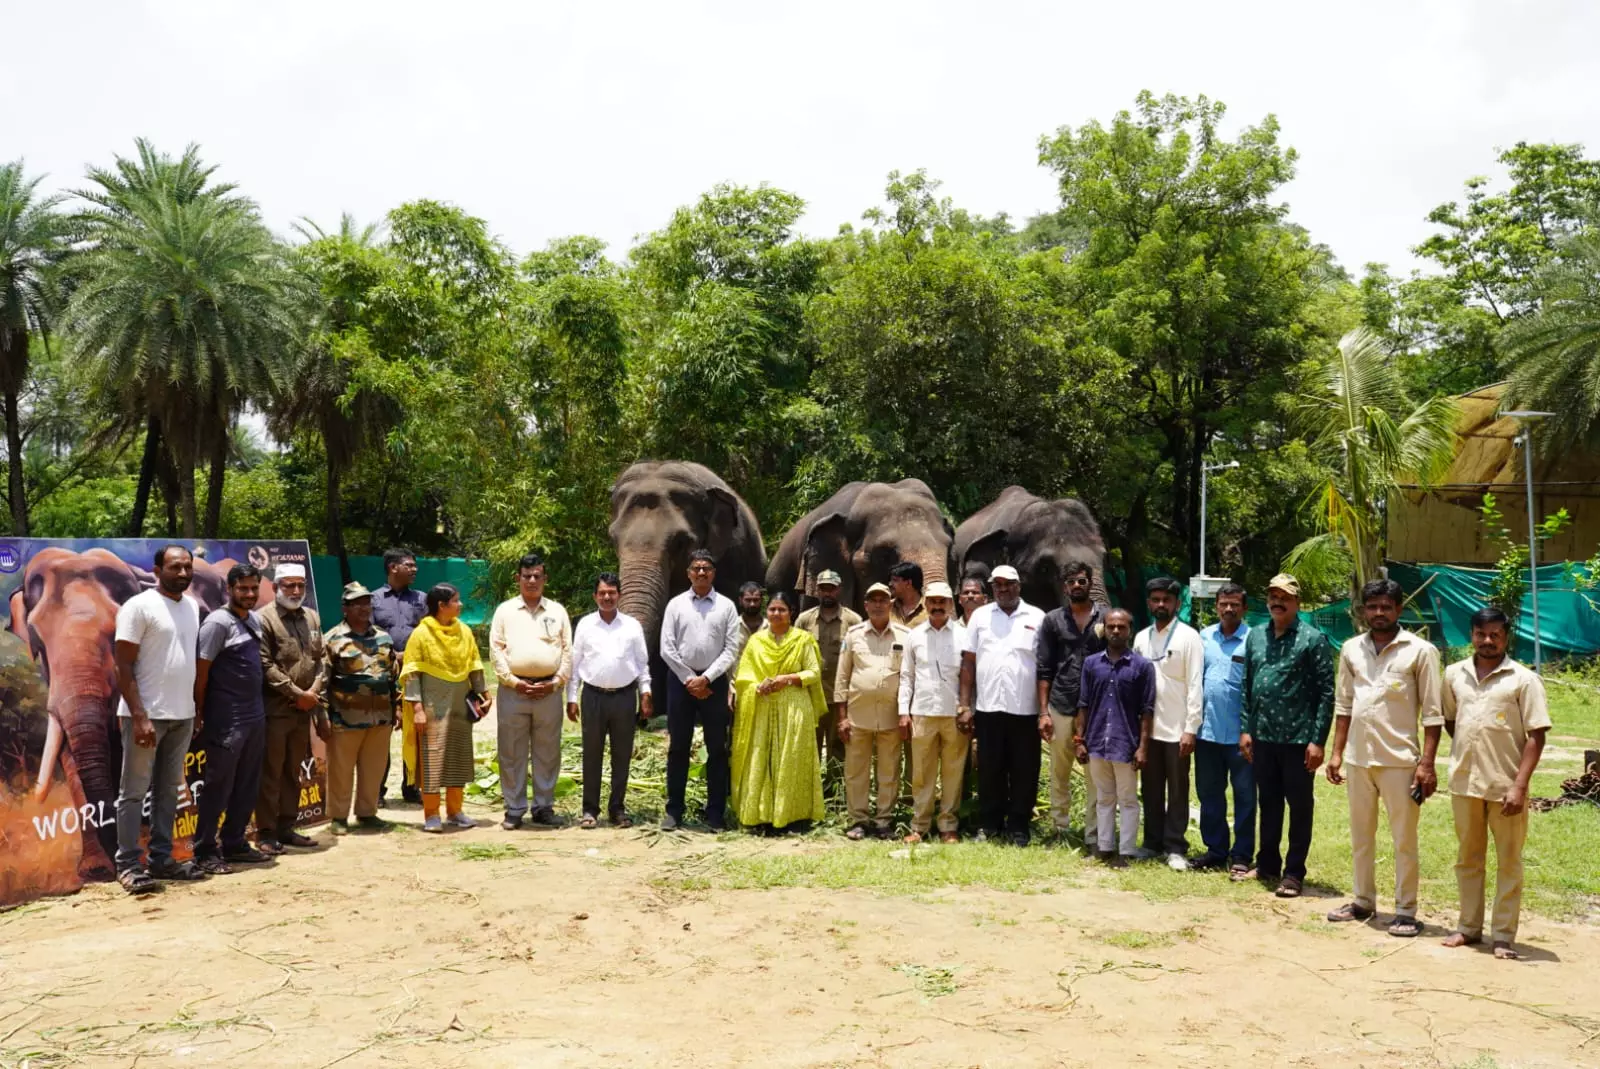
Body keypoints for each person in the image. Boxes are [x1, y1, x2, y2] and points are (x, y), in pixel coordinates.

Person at [1324, 578, 1443, 937]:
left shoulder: (1419, 651)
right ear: (1363, 611)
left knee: (1403, 839)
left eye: (1386, 607)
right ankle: (1363, 901)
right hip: (1360, 759)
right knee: (1361, 834)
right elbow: (1344, 704)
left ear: (1398, 610)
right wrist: (1336, 752)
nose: (1379, 613)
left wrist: (1426, 764)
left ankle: (1406, 911)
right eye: (1372, 607)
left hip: (1400, 762)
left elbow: (1433, 714)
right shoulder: (1350, 649)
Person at [1440, 607, 1551, 961]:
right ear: (1471, 635)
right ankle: (1468, 928)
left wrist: (1519, 785)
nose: (1488, 641)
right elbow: (1451, 721)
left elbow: (1536, 736)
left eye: (1495, 635)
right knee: (1467, 859)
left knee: (1508, 862)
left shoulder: (1523, 679)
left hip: (1506, 788)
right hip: (1464, 784)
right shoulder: (1453, 675)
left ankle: (1503, 935)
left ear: (1506, 637)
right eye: (1480, 634)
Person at [112, 545, 205, 893]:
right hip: (146, 716)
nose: (182, 573)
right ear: (156, 570)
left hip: (182, 715)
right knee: (133, 793)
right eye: (174, 567)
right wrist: (139, 715)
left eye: (187, 567)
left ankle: (162, 860)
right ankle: (127, 865)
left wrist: (195, 710)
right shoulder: (138, 607)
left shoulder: (193, 607)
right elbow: (122, 666)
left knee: (168, 791)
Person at [1240, 573, 1335, 899]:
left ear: (1297, 602)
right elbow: (1247, 686)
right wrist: (1245, 729)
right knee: (1268, 804)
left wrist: (1318, 740)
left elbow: (1326, 693)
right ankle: (1267, 866)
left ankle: (1294, 873)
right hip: (1263, 737)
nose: (1277, 602)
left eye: (1285, 597)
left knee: (1299, 807)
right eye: (1273, 596)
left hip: (1298, 741)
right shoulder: (1255, 636)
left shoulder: (1312, 640)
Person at [959, 564, 1048, 847]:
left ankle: (1019, 826)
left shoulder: (1037, 616)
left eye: (1008, 584)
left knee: (1024, 769)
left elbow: (1044, 667)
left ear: (1018, 586)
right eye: (997, 585)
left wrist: (1044, 711)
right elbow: (969, 663)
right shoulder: (980, 617)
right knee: (989, 769)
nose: (1003, 589)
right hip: (988, 708)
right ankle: (990, 825)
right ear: (992, 589)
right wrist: (964, 705)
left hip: (1026, 709)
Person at [191, 563, 270, 875]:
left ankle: (235, 843)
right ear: (229, 589)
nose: (249, 594)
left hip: (255, 715)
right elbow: (201, 673)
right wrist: (199, 711)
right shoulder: (216, 624)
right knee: (218, 786)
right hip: (227, 719)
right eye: (243, 589)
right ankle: (204, 851)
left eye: (254, 588)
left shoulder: (254, 620)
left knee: (247, 783)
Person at [730, 589, 827, 832]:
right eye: (772, 609)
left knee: (792, 758)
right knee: (762, 758)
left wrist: (787, 679)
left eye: (781, 609)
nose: (776, 613)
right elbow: (744, 675)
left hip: (794, 707)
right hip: (763, 706)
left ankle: (794, 817)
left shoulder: (803, 640)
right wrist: (756, 686)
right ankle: (762, 816)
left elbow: (813, 673)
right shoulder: (756, 641)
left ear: (791, 613)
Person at [659, 549, 742, 830]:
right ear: (688, 573)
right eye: (696, 568)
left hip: (714, 684)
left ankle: (716, 812)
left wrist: (705, 679)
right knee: (678, 748)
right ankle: (674, 811)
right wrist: (689, 680)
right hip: (680, 683)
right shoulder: (676, 605)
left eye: (707, 568)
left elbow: (731, 649)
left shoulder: (727, 607)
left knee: (717, 749)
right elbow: (666, 648)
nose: (702, 572)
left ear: (714, 573)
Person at [489, 553, 572, 830]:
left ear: (545, 579)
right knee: (511, 751)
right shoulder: (505, 611)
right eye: (527, 576)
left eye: (537, 575)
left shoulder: (557, 611)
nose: (532, 580)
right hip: (514, 691)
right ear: (518, 579)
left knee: (547, 751)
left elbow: (567, 651)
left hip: (549, 691)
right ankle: (514, 808)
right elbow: (496, 650)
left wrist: (557, 682)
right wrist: (514, 681)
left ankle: (543, 807)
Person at [402, 584, 491, 832]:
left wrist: (484, 693)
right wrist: (417, 709)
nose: (460, 605)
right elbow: (411, 674)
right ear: (441, 606)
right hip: (432, 705)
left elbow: (474, 664)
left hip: (460, 703)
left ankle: (455, 811)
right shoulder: (421, 634)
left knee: (458, 757)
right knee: (433, 759)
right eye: (456, 600)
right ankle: (431, 814)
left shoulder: (464, 631)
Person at [566, 572, 652, 829]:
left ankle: (617, 809)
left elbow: (642, 664)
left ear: (619, 595)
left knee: (622, 755)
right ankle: (589, 810)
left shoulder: (632, 626)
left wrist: (645, 694)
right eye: (602, 593)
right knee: (592, 755)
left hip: (625, 698)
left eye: (611, 593)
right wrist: (572, 698)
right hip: (593, 697)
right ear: (595, 596)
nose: (607, 597)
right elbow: (575, 663)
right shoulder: (584, 625)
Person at [1132, 576, 1204, 870]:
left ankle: (1175, 846)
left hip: (1177, 729)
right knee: (1149, 787)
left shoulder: (1189, 637)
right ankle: (1151, 842)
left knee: (1177, 789)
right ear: (1149, 602)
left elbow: (1196, 684)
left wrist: (1191, 728)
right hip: (1148, 730)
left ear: (1176, 603)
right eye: (1156, 599)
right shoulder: (1140, 638)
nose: (1161, 604)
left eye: (1166, 600)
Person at [1034, 561, 1107, 845]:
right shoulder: (1053, 620)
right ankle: (1060, 829)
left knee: (1095, 774)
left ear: (1090, 584)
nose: (1077, 586)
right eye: (1072, 582)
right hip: (1061, 703)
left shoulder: (1106, 618)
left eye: (1082, 581)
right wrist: (1043, 712)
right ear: (1065, 587)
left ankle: (1094, 835)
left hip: (1098, 708)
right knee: (1059, 770)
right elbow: (1044, 668)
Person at [1076, 608, 1156, 866]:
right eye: (1111, 626)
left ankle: (1127, 850)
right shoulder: (1091, 664)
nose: (1116, 631)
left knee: (1128, 800)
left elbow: (1147, 710)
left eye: (1121, 627)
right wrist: (1080, 740)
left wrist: (1142, 747)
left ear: (1129, 630)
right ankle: (1105, 846)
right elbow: (1084, 704)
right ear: (1104, 628)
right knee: (1104, 797)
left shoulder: (1142, 667)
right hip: (1097, 741)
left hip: (1125, 743)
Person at [257, 563, 326, 855]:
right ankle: (265, 833)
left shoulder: (311, 617)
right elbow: (265, 664)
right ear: (275, 588)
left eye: (300, 585)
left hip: (303, 711)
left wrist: (313, 693)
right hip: (276, 710)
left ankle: (287, 827)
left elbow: (321, 658)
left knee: (293, 772)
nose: (295, 591)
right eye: (288, 585)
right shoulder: (263, 620)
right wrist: (297, 693)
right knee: (271, 772)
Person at [322, 582, 399, 834]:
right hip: (346, 716)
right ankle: (338, 817)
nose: (364, 608)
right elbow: (322, 680)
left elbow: (392, 676)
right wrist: (324, 715)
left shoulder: (383, 637)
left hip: (380, 717)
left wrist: (396, 707)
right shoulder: (333, 639)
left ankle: (367, 813)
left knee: (374, 768)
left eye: (367, 602)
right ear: (345, 608)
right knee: (341, 769)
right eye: (357, 603)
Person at [835, 583, 910, 840]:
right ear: (865, 605)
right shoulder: (854, 635)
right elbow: (842, 677)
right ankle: (859, 820)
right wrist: (842, 718)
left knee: (888, 771)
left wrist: (905, 713)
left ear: (891, 604)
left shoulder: (904, 635)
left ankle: (883, 822)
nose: (878, 604)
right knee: (856, 771)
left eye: (883, 600)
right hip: (858, 717)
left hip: (891, 716)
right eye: (873, 600)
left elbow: (909, 677)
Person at [898, 582, 966, 843]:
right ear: (925, 604)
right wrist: (904, 711)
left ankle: (948, 826)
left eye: (943, 601)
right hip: (922, 713)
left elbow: (971, 677)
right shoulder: (914, 636)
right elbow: (907, 676)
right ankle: (919, 826)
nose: (937, 606)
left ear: (951, 604)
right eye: (933, 601)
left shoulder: (963, 635)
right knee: (922, 774)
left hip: (954, 714)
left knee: (953, 772)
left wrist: (967, 710)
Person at [1195, 583, 1255, 876]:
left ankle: (1242, 855)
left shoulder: (1254, 640)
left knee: (1245, 797)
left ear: (1244, 608)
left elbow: (1256, 689)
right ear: (1216, 606)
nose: (1228, 609)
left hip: (1241, 737)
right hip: (1207, 733)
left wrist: (1250, 730)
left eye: (1234, 604)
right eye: (1223, 604)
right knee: (1209, 794)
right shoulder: (1204, 637)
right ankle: (1216, 850)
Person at [372, 548, 426, 804]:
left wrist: (412, 656)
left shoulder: (423, 599)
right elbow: (366, 635)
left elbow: (430, 631)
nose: (414, 569)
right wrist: (393, 654)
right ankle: (377, 790)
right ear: (393, 567)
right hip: (382, 674)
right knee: (381, 732)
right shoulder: (373, 600)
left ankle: (412, 786)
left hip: (415, 674)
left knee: (414, 730)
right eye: (409, 565)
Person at [794, 569, 860, 766]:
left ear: (838, 590)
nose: (827, 593)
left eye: (831, 589)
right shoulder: (804, 620)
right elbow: (794, 655)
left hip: (839, 697)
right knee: (808, 747)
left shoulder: (853, 621)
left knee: (838, 748)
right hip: (811, 695)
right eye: (823, 589)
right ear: (817, 590)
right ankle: (810, 792)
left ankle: (834, 792)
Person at [889, 561, 928, 629]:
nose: (890, 584)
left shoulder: (930, 609)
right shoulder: (887, 608)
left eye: (895, 580)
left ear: (908, 583)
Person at [735, 580, 766, 658]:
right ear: (740, 601)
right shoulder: (731, 626)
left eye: (756, 600)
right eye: (748, 600)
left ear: (762, 600)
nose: (752, 604)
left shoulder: (771, 627)